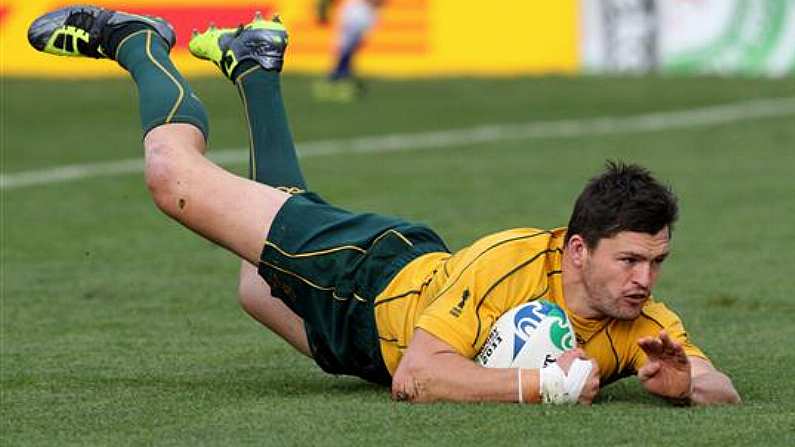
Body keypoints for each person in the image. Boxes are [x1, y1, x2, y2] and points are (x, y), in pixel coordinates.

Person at [28, 5, 741, 406]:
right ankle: (141, 43)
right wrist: (538, 383)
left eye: (654, 260)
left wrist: (687, 384)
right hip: (360, 274)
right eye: (628, 259)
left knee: (254, 282)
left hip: (366, 340)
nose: (643, 278)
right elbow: (419, 377)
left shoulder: (641, 323)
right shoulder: (508, 260)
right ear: (576, 248)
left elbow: (719, 387)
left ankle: (253, 64)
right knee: (172, 177)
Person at [313, 0, 386, 101]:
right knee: (346, 45)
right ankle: (336, 78)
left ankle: (340, 76)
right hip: (358, 10)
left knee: (350, 46)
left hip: (367, 11)